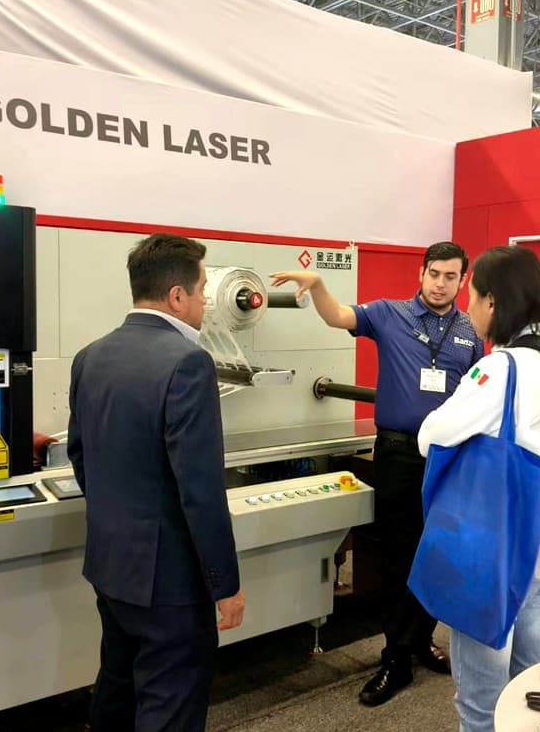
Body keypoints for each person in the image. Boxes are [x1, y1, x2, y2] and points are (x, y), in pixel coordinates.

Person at [271, 241, 483, 706]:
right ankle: (395, 657)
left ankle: (419, 639)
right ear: (421, 272)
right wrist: (318, 285)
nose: (440, 283)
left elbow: (477, 396)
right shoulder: (390, 314)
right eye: (434, 273)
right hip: (399, 454)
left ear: (462, 280)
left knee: (437, 553)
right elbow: (338, 316)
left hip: (448, 457)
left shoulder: (471, 332)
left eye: (450, 276)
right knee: (399, 556)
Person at [67, 233, 245, 732]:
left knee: (117, 688)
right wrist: (225, 585)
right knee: (170, 705)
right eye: (203, 290)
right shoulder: (188, 362)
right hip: (170, 583)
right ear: (177, 296)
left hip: (110, 566)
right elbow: (200, 490)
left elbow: (81, 455)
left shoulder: (90, 356)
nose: (206, 301)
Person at [418, 245, 540, 732]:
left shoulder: (500, 368)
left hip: (492, 544)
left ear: (494, 301)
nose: (468, 306)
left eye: (473, 295)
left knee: (481, 700)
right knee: (531, 681)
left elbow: (433, 434)